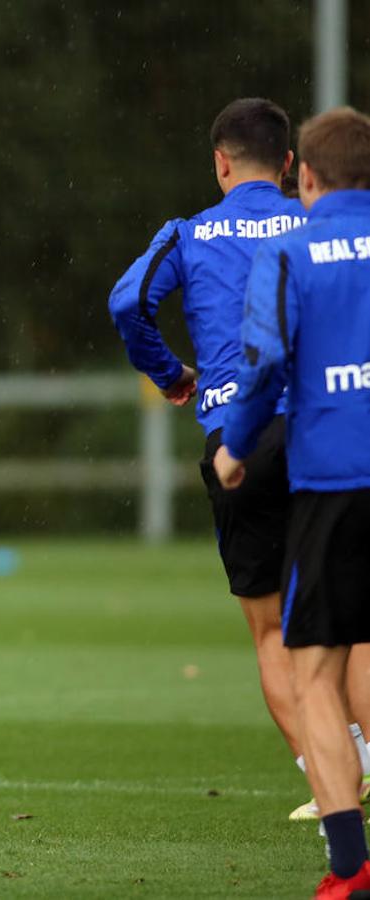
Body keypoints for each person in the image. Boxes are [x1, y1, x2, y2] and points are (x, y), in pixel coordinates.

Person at [106, 98, 370, 819]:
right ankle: (367, 762)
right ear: (290, 166)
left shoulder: (188, 234)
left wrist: (169, 375)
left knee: (272, 630)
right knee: (353, 619)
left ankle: (329, 782)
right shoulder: (318, 224)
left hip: (241, 438)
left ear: (220, 162)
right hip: (327, 431)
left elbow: (126, 302)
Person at [215, 105, 370, 900]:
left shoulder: (290, 250)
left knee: (317, 668)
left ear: (302, 176)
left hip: (336, 484)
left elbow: (267, 362)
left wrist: (234, 449)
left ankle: (349, 868)